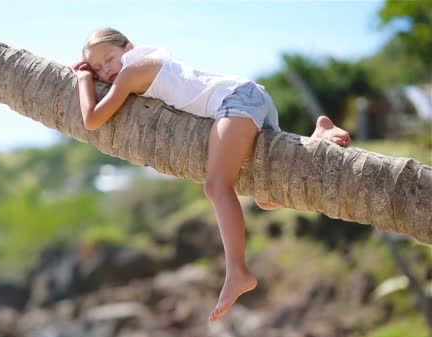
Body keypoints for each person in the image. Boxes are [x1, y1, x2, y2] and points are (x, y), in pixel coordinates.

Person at [71, 28, 351, 322]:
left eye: (109, 59)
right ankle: (319, 137)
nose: (105, 70)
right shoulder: (148, 60)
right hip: (248, 97)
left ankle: (237, 272)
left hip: (236, 102)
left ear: (128, 48)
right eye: (97, 68)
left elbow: (92, 120)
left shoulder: (131, 73)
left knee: (217, 187)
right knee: (268, 199)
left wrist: (82, 79)